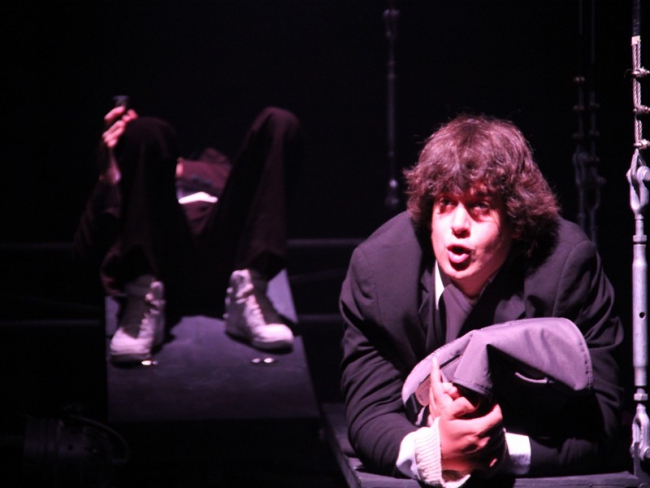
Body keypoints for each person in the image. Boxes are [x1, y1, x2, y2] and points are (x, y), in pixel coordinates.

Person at [339, 114, 626, 486]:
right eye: (445, 202)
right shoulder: (378, 273)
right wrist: (432, 450)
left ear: (515, 221)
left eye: (480, 205)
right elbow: (370, 412)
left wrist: (496, 450)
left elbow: (603, 421)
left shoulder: (566, 268)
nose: (458, 224)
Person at [74, 103, 303, 363]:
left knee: (279, 121)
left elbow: (243, 184)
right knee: (145, 130)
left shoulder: (216, 166)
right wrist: (109, 175)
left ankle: (250, 289)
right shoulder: (136, 186)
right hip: (163, 262)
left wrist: (182, 169)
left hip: (228, 258)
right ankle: (142, 295)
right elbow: (85, 254)